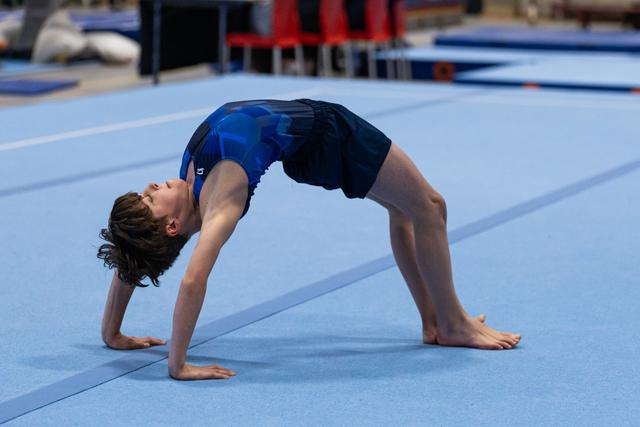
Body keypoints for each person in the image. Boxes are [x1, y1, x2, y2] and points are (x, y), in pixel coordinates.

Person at [98, 99, 521, 381]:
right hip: (329, 135)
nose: (152, 185)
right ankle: (451, 324)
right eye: (152, 197)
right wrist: (178, 366)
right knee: (430, 206)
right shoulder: (221, 199)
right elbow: (193, 280)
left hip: (309, 146)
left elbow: (134, 249)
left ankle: (435, 322)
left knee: (405, 209)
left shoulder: (190, 186)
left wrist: (112, 333)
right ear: (172, 226)